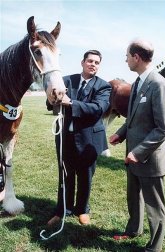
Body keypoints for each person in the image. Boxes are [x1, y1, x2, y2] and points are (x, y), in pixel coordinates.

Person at [109, 39, 165, 252]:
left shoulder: (159, 84)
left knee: (155, 206)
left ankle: (155, 247)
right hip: (133, 157)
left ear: (136, 57)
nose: (125, 60)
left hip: (149, 159)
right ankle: (133, 230)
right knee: (133, 198)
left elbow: (162, 129)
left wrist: (138, 152)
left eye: (127, 56)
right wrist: (120, 134)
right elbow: (132, 118)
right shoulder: (137, 82)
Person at [47, 50, 111, 226]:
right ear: (82, 62)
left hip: (89, 140)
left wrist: (71, 103)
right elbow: (51, 103)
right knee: (65, 175)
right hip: (65, 138)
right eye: (90, 61)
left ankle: (82, 210)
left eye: (97, 62)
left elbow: (98, 109)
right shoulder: (66, 80)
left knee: (85, 177)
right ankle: (62, 210)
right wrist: (50, 95)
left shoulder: (104, 86)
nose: (93, 64)